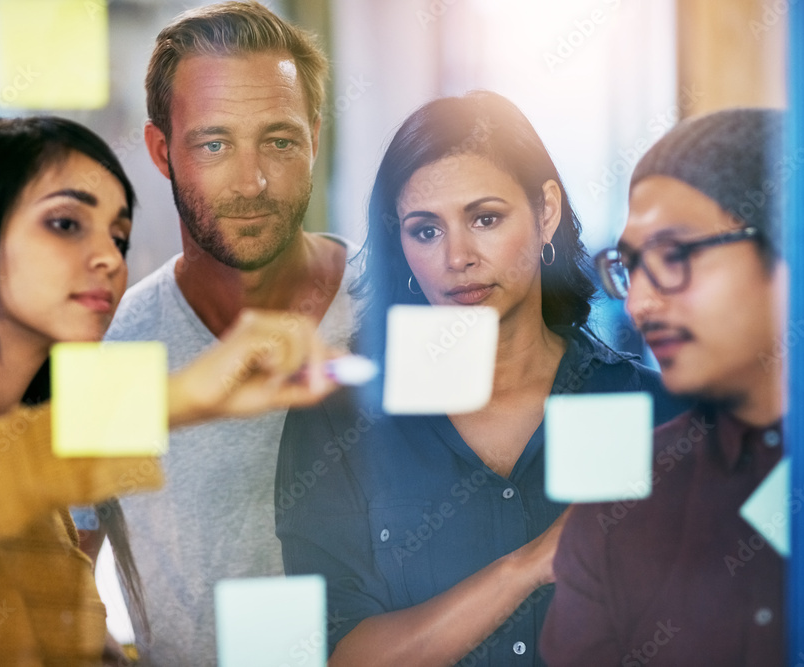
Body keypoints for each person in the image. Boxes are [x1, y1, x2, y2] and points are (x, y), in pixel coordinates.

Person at [0, 116, 337, 665]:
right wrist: (178, 396)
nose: (111, 260)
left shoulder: (52, 506)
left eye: (118, 236)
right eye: (66, 224)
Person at [275, 90, 686, 666]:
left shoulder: (650, 408)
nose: (457, 256)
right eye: (425, 230)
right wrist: (530, 565)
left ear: (546, 212)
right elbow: (335, 655)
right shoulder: (339, 417)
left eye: (485, 218)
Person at [99, 2, 358, 663]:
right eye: (214, 144)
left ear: (315, 140)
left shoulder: (397, 300)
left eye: (279, 140)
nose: (253, 181)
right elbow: (61, 572)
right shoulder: (117, 348)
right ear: (162, 151)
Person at [540, 108, 787, 666]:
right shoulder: (619, 508)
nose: (640, 302)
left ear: (794, 244)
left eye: (675, 255)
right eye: (629, 266)